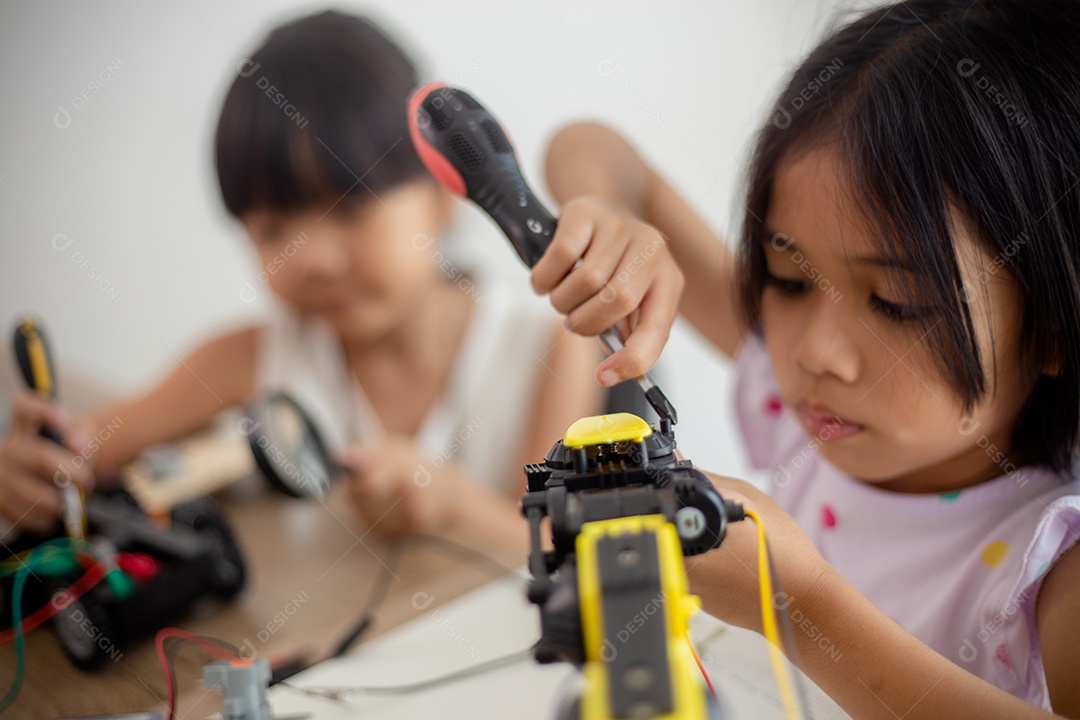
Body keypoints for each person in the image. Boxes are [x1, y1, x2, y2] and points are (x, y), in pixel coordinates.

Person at [538, 0, 1080, 716]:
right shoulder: (808, 395)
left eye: (898, 302)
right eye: (790, 280)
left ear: (1053, 328)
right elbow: (590, 145)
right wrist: (608, 209)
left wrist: (794, 600)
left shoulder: (1055, 566)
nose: (815, 353)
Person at [0, 10, 601, 549]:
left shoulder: (552, 342)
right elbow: (83, 452)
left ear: (444, 190)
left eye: (350, 207)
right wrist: (31, 468)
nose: (312, 259)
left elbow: (563, 551)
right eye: (271, 229)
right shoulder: (247, 359)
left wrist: (454, 505)